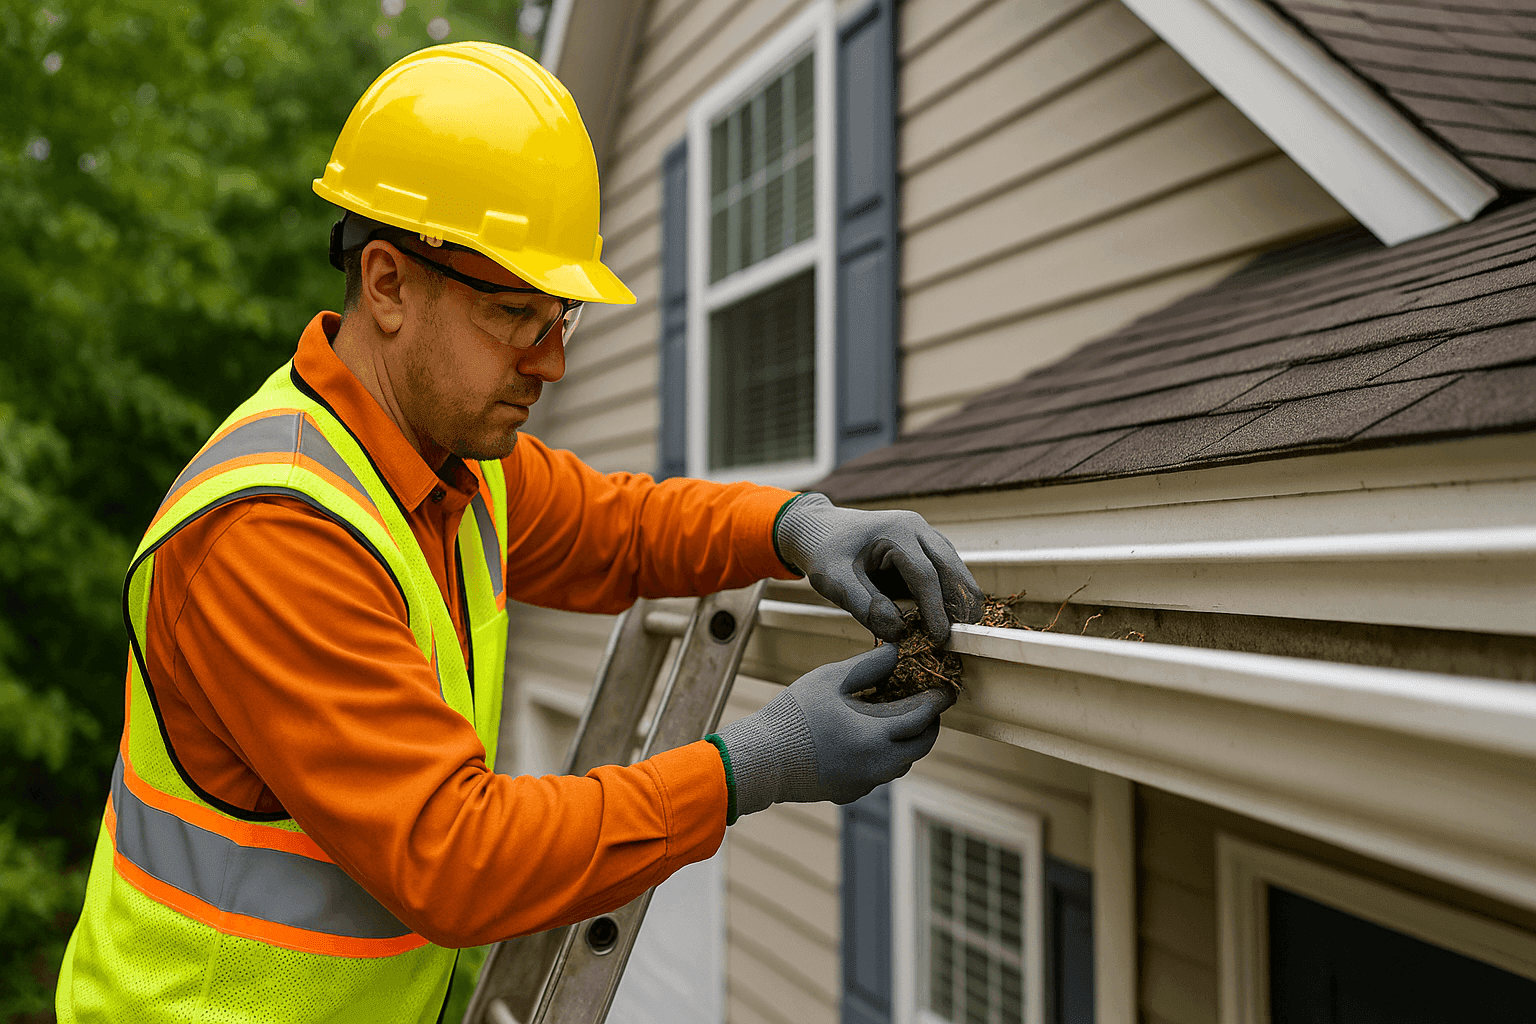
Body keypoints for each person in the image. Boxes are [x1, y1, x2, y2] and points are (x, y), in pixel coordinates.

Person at [56, 42, 983, 1023]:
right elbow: (455, 858)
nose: (552, 363)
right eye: (514, 315)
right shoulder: (273, 529)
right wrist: (748, 768)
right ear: (387, 284)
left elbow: (623, 526)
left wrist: (798, 524)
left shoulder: (451, 462)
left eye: (563, 319)